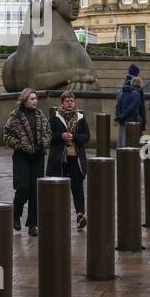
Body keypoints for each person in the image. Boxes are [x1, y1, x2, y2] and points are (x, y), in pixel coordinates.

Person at [3, 87, 50, 236]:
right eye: (32, 99)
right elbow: (7, 135)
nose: (35, 101)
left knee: (35, 191)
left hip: (38, 156)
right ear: (24, 100)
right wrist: (19, 145)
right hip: (21, 157)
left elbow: (48, 132)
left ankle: (32, 224)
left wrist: (44, 141)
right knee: (23, 188)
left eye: (36, 99)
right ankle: (15, 214)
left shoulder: (41, 115)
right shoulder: (15, 117)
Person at [47, 89, 90, 229]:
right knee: (60, 189)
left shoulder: (80, 118)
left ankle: (80, 215)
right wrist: (61, 136)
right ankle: (59, 216)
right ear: (62, 103)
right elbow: (48, 136)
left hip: (76, 158)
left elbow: (86, 136)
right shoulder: (55, 118)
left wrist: (75, 137)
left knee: (77, 188)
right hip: (59, 159)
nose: (70, 103)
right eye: (67, 101)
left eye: (72, 101)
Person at [115, 75, 145, 147]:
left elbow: (118, 105)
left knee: (121, 140)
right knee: (129, 143)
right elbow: (132, 108)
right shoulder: (137, 94)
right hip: (131, 121)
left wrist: (119, 116)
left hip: (122, 120)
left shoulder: (123, 92)